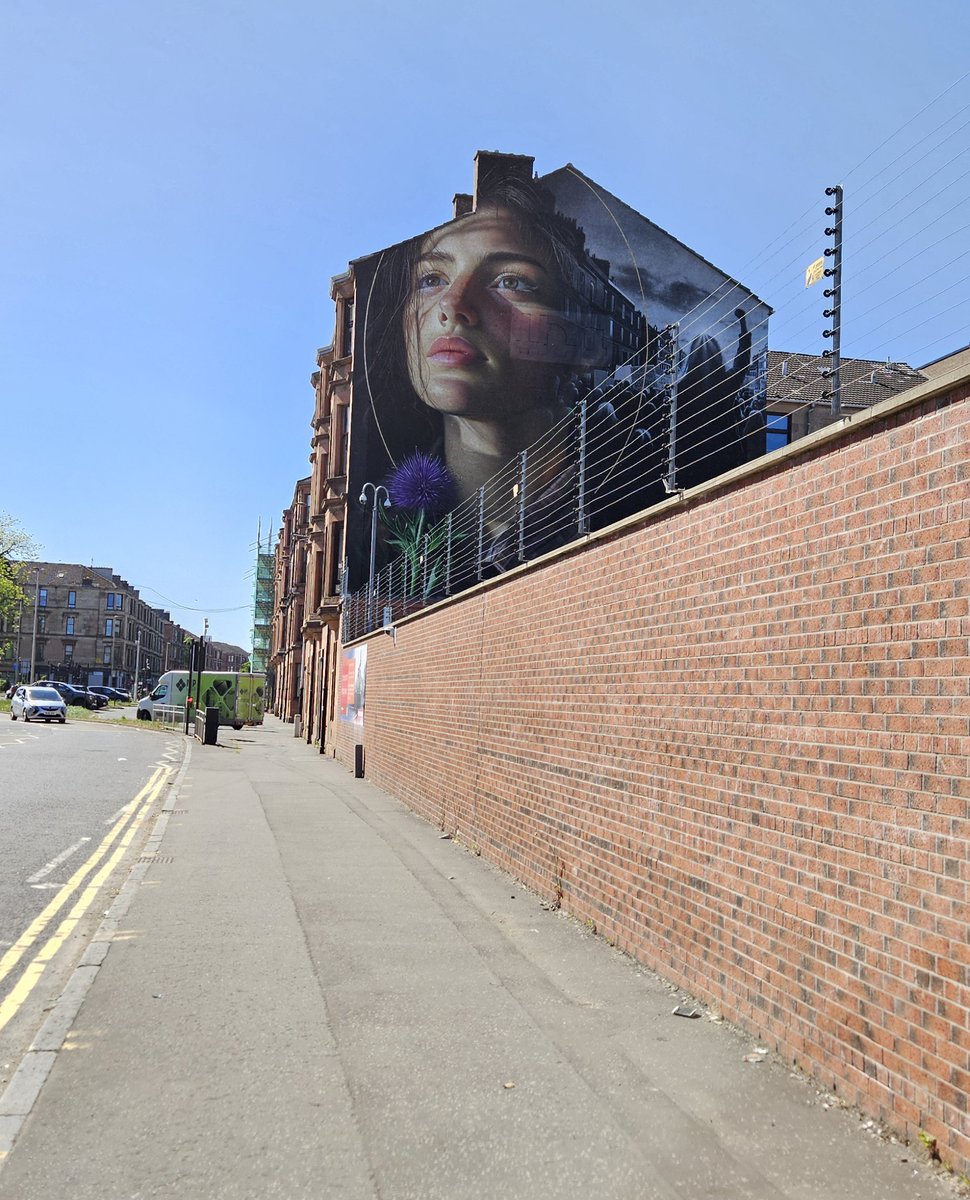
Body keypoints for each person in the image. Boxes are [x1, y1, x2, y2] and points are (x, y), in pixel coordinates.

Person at [357, 174, 752, 586]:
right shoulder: (393, 530)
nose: (452, 307)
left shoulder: (625, 491)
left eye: (512, 282)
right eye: (431, 280)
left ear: (578, 342)